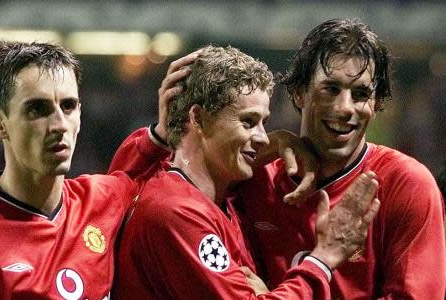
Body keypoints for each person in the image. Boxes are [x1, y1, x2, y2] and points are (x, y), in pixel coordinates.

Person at [111, 45, 380, 299]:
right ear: (199, 119)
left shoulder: (224, 201)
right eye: (248, 122)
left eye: (264, 123)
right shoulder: (176, 211)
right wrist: (323, 259)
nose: (264, 138)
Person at [237, 18, 446, 299]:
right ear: (299, 93)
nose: (345, 107)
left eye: (360, 94)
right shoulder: (254, 178)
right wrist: (263, 145)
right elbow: (171, 187)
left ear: (376, 105)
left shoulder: (407, 186)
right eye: (330, 89)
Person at [0, 41, 137, 299]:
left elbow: (145, 167)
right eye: (38, 109)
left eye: (68, 106)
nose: (59, 124)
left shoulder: (102, 200)